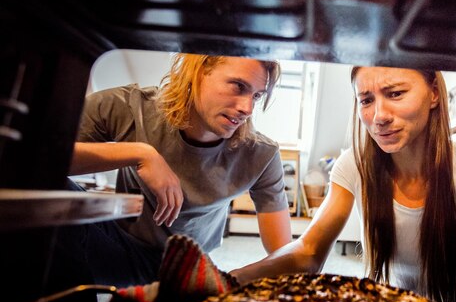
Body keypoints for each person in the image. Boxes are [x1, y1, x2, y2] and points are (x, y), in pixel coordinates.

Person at [230, 66, 456, 302]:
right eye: (366, 100)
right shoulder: (354, 165)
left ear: (434, 94)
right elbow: (308, 251)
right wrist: (229, 279)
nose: (379, 117)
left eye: (396, 93)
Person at [64, 53, 293, 288]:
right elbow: (39, 156)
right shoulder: (132, 109)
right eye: (238, 86)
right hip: (120, 247)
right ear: (198, 71)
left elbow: (285, 254)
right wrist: (140, 153)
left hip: (188, 266)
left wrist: (229, 282)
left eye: (257, 95)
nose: (247, 108)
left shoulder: (261, 154)